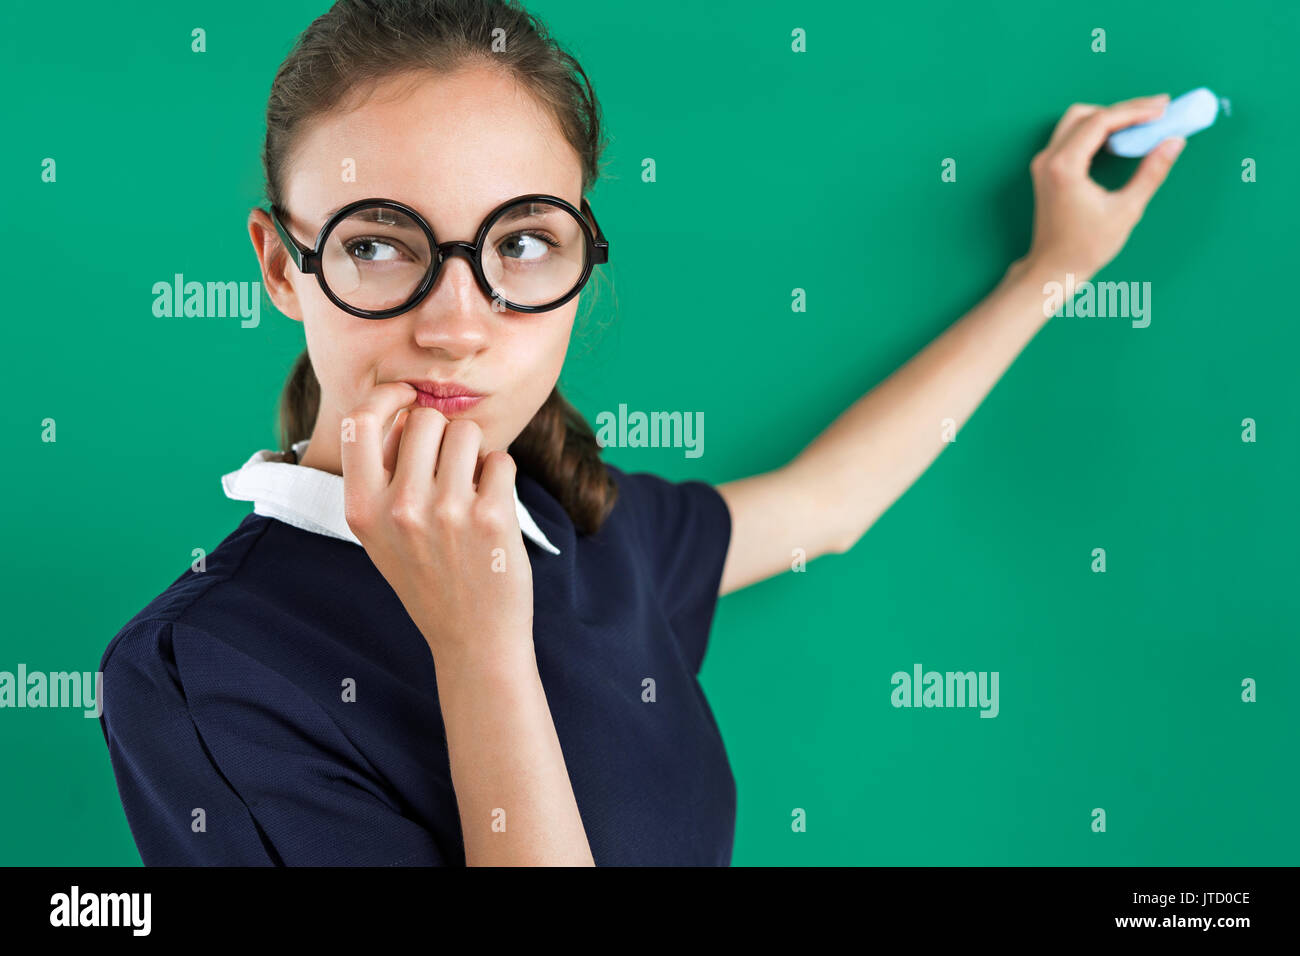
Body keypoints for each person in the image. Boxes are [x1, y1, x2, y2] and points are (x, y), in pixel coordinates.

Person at [97, 0, 1184, 866]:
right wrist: (479, 652)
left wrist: (1051, 271)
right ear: (285, 266)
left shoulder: (576, 523)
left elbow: (828, 506)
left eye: (522, 243)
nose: (457, 324)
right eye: (379, 244)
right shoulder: (200, 670)